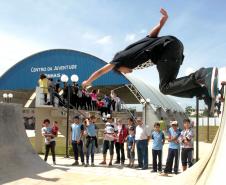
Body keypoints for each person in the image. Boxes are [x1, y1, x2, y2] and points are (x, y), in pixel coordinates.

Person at [82, 8, 218, 116]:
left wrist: (88, 81)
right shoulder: (137, 48)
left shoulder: (119, 59)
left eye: (123, 72)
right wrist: (162, 22)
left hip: (167, 50)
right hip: (175, 48)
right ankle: (203, 93)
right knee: (169, 87)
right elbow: (151, 35)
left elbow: (101, 70)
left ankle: (202, 74)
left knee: (164, 88)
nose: (128, 72)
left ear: (119, 67)